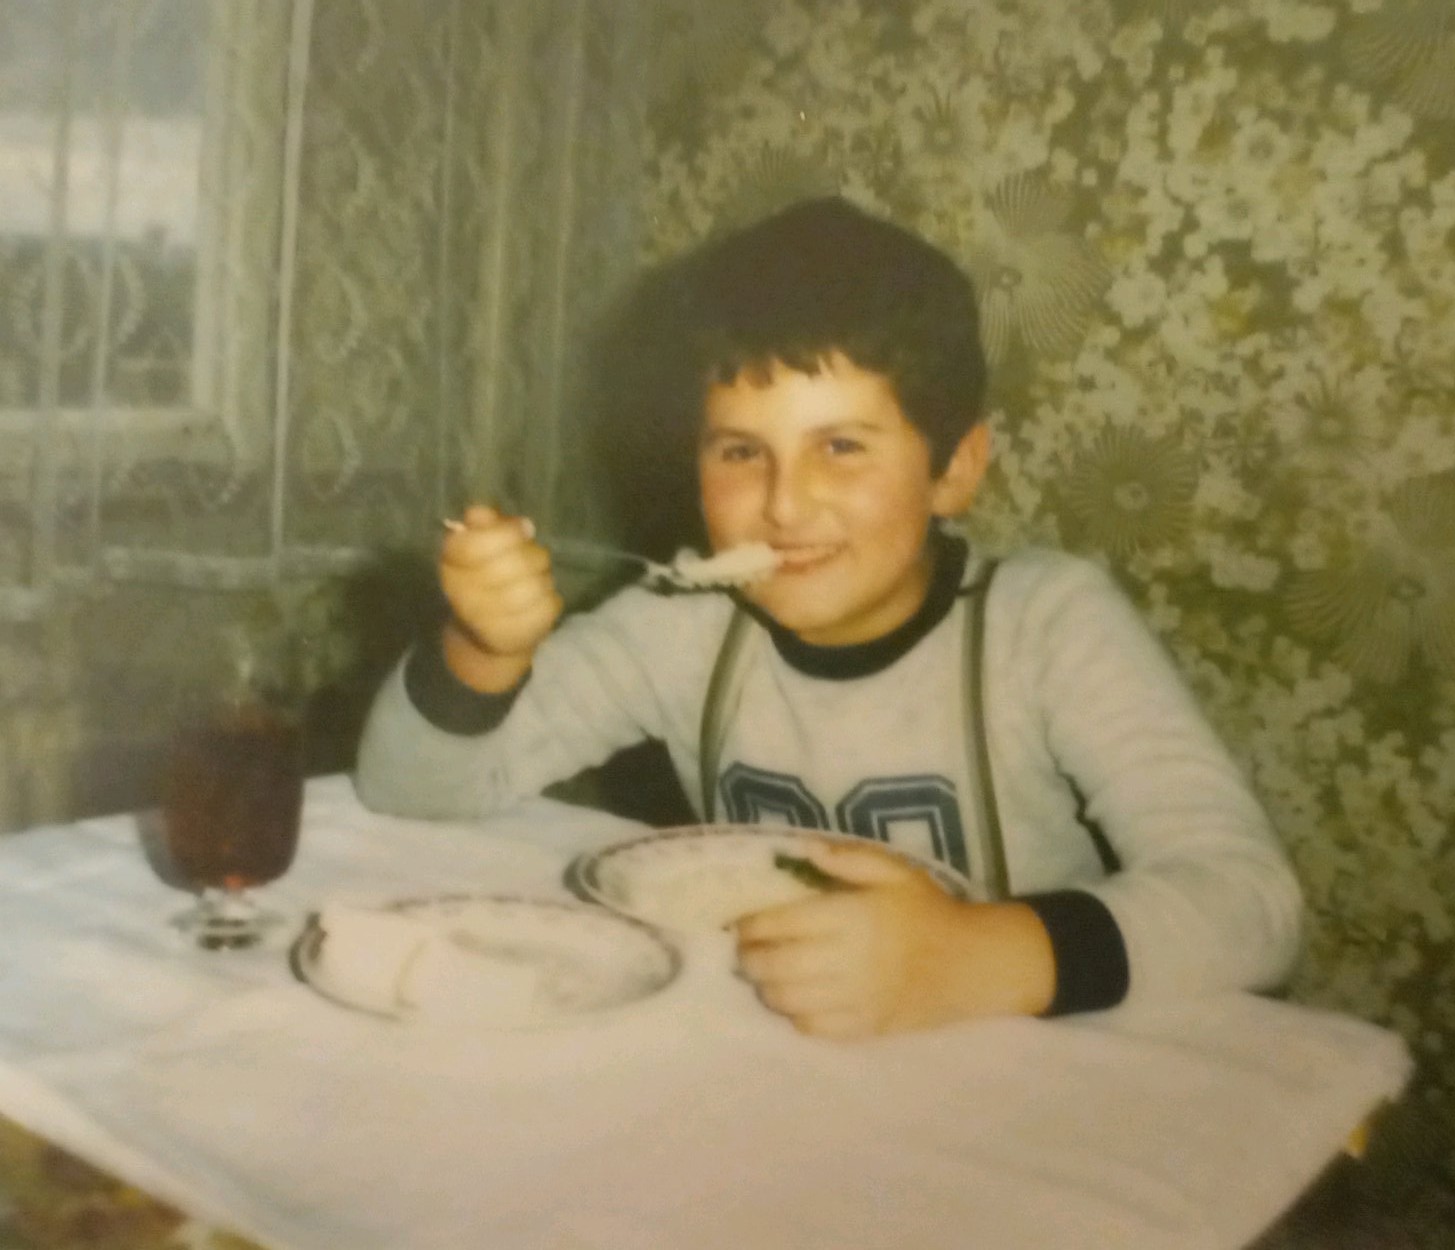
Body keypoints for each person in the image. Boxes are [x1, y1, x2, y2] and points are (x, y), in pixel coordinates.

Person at [355, 197, 1301, 1038]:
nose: (783, 504)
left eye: (841, 447)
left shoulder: (1047, 627)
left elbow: (1252, 903)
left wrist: (970, 958)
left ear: (954, 470)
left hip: (1028, 1073)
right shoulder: (679, 628)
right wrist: (482, 650)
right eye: (740, 452)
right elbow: (411, 793)